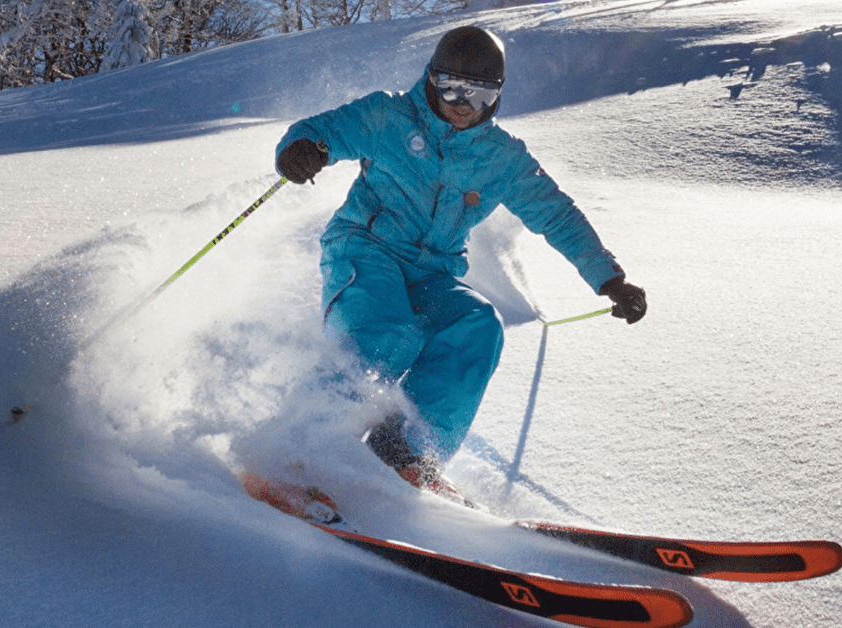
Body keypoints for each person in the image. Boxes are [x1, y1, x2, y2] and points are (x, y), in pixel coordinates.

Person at [274, 25, 646, 494]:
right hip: (366, 250)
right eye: (451, 87)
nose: (463, 103)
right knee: (384, 334)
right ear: (431, 79)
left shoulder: (501, 157)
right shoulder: (389, 115)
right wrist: (301, 150)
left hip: (433, 272)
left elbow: (556, 214)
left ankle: (404, 453)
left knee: (477, 325)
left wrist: (609, 279)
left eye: (481, 93)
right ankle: (295, 453)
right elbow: (320, 132)